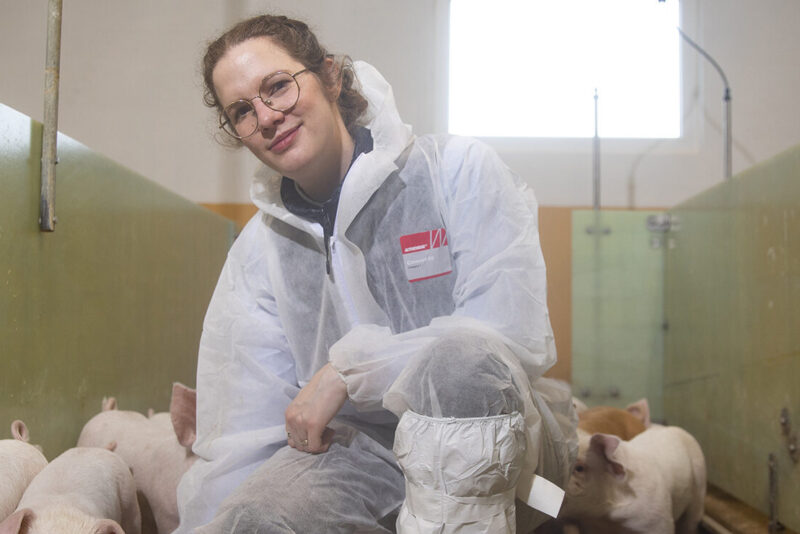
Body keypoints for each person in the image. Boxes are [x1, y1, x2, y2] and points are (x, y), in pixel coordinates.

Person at [175, 13, 577, 534]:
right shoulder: (259, 251)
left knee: (460, 363)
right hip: (357, 454)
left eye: (277, 86)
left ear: (331, 76)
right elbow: (241, 432)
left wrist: (351, 370)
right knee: (253, 520)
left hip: (492, 441)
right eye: (242, 112)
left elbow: (506, 334)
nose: (267, 117)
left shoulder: (454, 171)